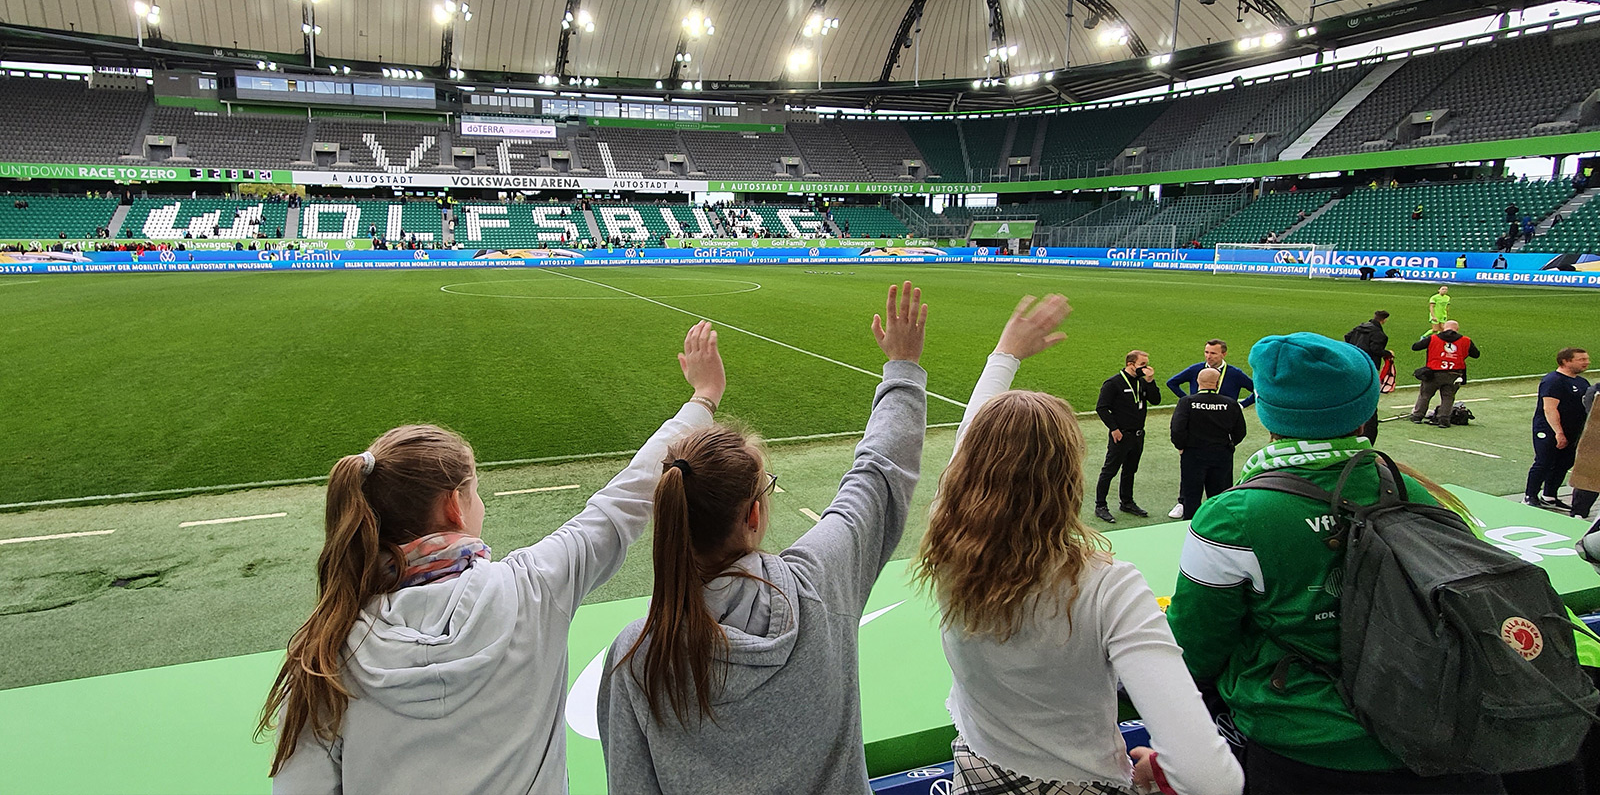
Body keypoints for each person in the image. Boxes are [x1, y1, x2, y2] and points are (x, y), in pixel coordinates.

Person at [259, 322, 727, 794]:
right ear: (453, 507)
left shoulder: (325, 651)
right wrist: (703, 397)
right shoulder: (535, 588)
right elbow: (626, 499)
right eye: (475, 491)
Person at [599, 282, 928, 795]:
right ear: (753, 515)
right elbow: (878, 475)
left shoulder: (637, 654)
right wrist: (903, 369)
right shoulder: (817, 584)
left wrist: (701, 399)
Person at [915, 294, 1244, 795]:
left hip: (977, 771)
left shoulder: (950, 545)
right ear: (1069, 476)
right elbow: (1212, 779)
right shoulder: (1111, 588)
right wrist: (1161, 772)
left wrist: (1005, 356)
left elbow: (968, 451)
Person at [1166, 333, 1503, 794]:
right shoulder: (1416, 488)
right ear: (1364, 408)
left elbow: (1197, 644)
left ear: (1267, 409)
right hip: (1433, 729)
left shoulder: (1233, 515)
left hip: (1302, 745)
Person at [1168, 367, 1248, 520]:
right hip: (1221, 455)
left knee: (1191, 497)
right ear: (1217, 384)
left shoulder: (1187, 402)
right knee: (1219, 498)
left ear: (1198, 381)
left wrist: (1181, 446)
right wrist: (1229, 445)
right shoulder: (1230, 404)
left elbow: (1177, 429)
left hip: (1193, 455)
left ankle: (1189, 531)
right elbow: (1240, 432)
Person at [1093, 350, 1161, 523]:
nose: (1146, 368)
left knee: (1130, 469)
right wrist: (1114, 429)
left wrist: (1150, 381)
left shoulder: (1142, 382)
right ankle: (1100, 505)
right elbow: (1102, 408)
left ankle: (1127, 502)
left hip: (1138, 434)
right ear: (1131, 364)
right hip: (1121, 435)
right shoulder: (1113, 383)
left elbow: (1156, 400)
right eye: (1142, 365)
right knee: (1110, 470)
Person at [1526, 347, 1592, 510]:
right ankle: (1530, 496)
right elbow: (1549, 408)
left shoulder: (1582, 382)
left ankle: (1549, 496)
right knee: (1544, 462)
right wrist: (1558, 432)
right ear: (1565, 361)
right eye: (1581, 359)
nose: (1586, 362)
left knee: (1564, 462)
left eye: (1586, 359)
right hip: (1549, 430)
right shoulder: (1553, 381)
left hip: (1573, 431)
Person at [1409, 321, 1479, 428]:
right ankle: (1444, 420)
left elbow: (1415, 347)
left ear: (1444, 328)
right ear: (1457, 329)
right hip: (1454, 374)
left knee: (1425, 395)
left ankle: (1417, 416)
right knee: (1448, 397)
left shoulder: (1433, 338)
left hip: (1433, 373)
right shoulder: (1466, 340)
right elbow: (1476, 354)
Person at [1344, 311, 1392, 445]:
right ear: (1384, 320)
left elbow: (1347, 337)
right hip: (1368, 365)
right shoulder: (1379, 334)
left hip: (1354, 361)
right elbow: (1375, 349)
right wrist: (1387, 353)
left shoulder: (1360, 327)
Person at [1166, 339, 1255, 407]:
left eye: (1213, 353)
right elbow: (1171, 383)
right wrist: (1188, 400)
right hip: (1199, 415)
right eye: (1206, 352)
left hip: (1225, 417)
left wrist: (1241, 405)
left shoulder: (1235, 374)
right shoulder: (1195, 369)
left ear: (1224, 354)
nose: (1208, 357)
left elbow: (1258, 390)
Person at [1569, 380, 1600, 519]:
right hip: (1595, 444)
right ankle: (1579, 513)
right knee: (1589, 477)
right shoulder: (1595, 392)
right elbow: (1593, 415)